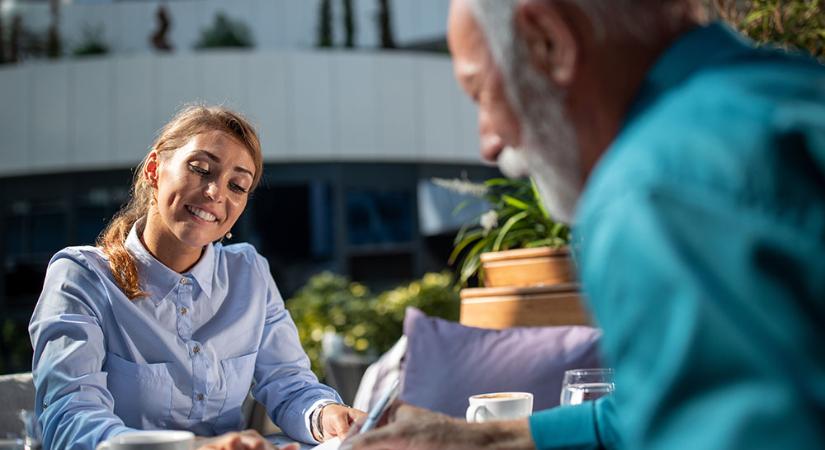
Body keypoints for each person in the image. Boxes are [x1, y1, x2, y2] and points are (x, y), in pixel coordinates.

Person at [347, 0, 825, 449]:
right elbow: (656, 407)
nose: (488, 143)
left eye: (480, 92)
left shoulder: (652, 189)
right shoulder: (790, 89)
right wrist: (478, 438)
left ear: (548, 43)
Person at [28, 105, 366, 450]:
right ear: (154, 169)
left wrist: (327, 416)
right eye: (201, 169)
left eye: (237, 185)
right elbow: (70, 420)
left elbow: (290, 386)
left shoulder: (248, 272)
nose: (216, 193)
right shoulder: (80, 278)